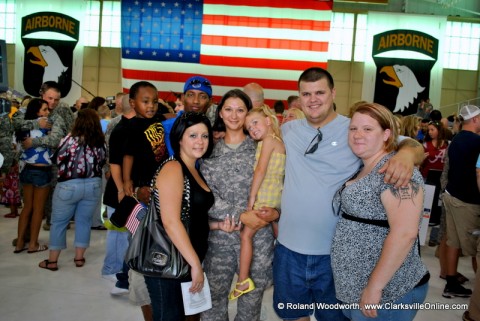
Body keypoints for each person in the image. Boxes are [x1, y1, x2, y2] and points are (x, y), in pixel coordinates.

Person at [273, 67, 424, 321]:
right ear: (298, 97)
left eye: (320, 92)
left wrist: (407, 155)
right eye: (306, 93)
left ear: (333, 93)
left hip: (335, 255)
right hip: (288, 250)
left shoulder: (355, 129)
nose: (313, 99)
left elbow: (410, 143)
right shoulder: (288, 131)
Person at [331, 102, 429, 321]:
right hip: (356, 289)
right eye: (353, 128)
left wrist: (375, 287)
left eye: (368, 129)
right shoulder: (365, 165)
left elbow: (405, 233)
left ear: (386, 134)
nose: (358, 135)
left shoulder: (397, 171)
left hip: (387, 294)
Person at [200, 89, 278, 321]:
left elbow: (278, 182)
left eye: (240, 110)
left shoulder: (262, 148)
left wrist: (276, 211)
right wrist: (241, 216)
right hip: (220, 239)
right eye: (228, 109)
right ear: (220, 113)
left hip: (258, 238)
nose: (234, 116)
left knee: (251, 302)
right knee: (213, 301)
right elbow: (207, 195)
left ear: (248, 114)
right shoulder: (207, 151)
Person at [144, 112, 214, 321]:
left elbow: (191, 215)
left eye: (205, 136)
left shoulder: (193, 168)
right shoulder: (173, 168)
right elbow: (171, 221)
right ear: (179, 138)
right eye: (193, 135)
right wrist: (196, 265)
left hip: (186, 259)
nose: (200, 141)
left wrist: (218, 226)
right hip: (168, 263)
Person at [38, 109, 106, 271]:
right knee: (84, 221)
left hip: (68, 185)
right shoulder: (100, 141)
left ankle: (53, 261)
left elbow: (56, 159)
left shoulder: (69, 139)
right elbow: (103, 161)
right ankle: (79, 257)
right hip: (93, 185)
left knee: (59, 223)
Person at [229, 106, 285, 300]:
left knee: (246, 236)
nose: (251, 129)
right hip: (272, 196)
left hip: (265, 198)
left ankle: (243, 280)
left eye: (255, 123)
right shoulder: (273, 141)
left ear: (268, 121)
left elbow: (260, 170)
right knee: (278, 237)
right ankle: (247, 279)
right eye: (248, 127)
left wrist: (251, 199)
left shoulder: (269, 140)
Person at [13, 81, 74, 231]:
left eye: (56, 99)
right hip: (28, 163)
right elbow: (15, 123)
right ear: (42, 94)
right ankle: (25, 235)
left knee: (51, 197)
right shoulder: (31, 108)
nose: (52, 103)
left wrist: (34, 141)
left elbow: (59, 137)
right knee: (28, 203)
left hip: (53, 161)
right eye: (49, 98)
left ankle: (50, 224)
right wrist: (36, 124)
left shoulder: (60, 112)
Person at [442, 104, 480, 299]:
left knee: (453, 241)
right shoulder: (476, 141)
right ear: (474, 119)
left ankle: (451, 282)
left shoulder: (456, 139)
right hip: (467, 201)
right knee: (476, 249)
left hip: (451, 194)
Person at [14, 98, 52, 253]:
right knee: (38, 209)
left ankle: (20, 242)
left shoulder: (24, 126)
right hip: (42, 171)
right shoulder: (46, 125)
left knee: (26, 208)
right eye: (45, 109)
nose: (47, 112)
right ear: (37, 111)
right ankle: (33, 244)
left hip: (26, 170)